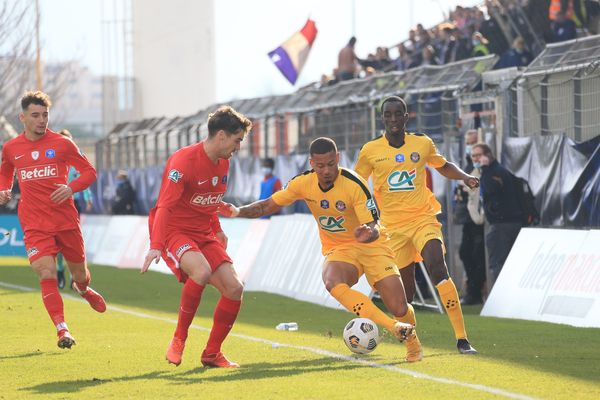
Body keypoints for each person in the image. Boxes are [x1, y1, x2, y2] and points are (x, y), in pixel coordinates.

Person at [220, 137, 422, 362]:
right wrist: (237, 211)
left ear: (338, 158)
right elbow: (268, 205)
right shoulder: (302, 183)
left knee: (399, 306)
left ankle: (413, 343)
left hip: (373, 246)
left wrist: (368, 232)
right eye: (320, 166)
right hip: (340, 249)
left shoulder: (354, 184)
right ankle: (394, 327)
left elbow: (374, 225)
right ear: (311, 164)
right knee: (332, 281)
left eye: (330, 164)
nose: (326, 171)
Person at [355, 96, 479, 354]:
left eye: (397, 114)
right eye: (387, 115)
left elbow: (443, 166)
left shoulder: (422, 143)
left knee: (437, 264)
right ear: (382, 118)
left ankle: (462, 338)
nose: (392, 119)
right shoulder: (370, 151)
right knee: (404, 297)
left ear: (406, 116)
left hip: (423, 218)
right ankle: (413, 342)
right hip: (392, 228)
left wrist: (465, 177)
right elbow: (357, 184)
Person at [141, 106, 252, 368]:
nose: (238, 147)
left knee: (235, 289)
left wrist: (218, 228)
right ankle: (179, 339)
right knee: (200, 271)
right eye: (237, 140)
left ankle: (212, 353)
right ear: (222, 135)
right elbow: (165, 206)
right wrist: (156, 245)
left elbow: (207, 200)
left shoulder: (224, 162)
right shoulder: (183, 162)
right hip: (174, 230)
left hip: (204, 232)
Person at [0, 91, 106, 349]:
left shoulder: (62, 144)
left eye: (45, 115)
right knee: (46, 272)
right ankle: (62, 329)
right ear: (22, 118)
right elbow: (6, 171)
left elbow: (89, 172)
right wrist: (4, 188)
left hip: (65, 220)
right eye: (35, 115)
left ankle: (82, 289)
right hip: (34, 222)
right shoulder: (12, 148)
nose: (41, 120)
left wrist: (71, 188)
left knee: (80, 273)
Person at [470, 143, 523, 285]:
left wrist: (486, 169)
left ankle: (500, 299)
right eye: (473, 156)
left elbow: (490, 189)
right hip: (505, 222)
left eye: (478, 155)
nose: (475, 159)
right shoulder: (492, 171)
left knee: (498, 263)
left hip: (502, 224)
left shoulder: (494, 171)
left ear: (487, 156)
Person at [55, 129, 94, 290]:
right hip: (56, 204)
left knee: (74, 241)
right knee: (57, 242)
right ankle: (59, 270)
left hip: (73, 204)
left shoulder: (76, 159)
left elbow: (84, 178)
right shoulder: (52, 159)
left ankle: (74, 276)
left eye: (69, 141)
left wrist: (88, 198)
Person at [455, 130, 486, 305]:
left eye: (472, 143)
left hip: (478, 218)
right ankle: (472, 291)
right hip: (467, 217)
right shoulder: (467, 165)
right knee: (465, 253)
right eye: (467, 143)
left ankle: (475, 291)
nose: (469, 147)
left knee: (476, 255)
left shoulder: (482, 167)